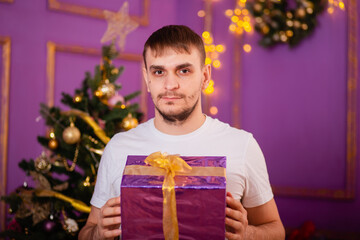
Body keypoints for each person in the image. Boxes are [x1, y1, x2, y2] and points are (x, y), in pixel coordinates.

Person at [79, 25, 285, 240]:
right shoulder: (118, 146)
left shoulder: (242, 145)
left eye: (184, 71)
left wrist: (248, 234)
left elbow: (275, 230)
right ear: (147, 79)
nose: (170, 85)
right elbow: (88, 231)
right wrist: (97, 233)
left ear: (205, 76)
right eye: (159, 72)